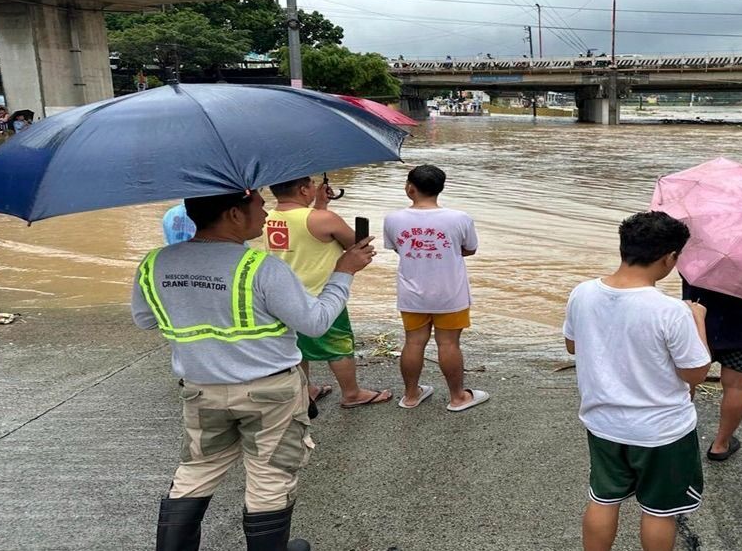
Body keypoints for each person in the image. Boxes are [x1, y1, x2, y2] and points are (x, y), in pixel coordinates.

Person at [131, 189, 375, 551]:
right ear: (233, 213)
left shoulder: (154, 263)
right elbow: (316, 323)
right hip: (270, 394)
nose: (265, 213)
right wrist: (343, 272)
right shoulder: (261, 267)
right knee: (270, 478)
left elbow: (146, 319)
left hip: (201, 390)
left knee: (196, 473)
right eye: (258, 206)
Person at [563, 211, 711, 551]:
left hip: (603, 422)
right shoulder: (670, 310)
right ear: (669, 258)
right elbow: (695, 372)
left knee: (603, 498)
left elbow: (573, 345)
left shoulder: (582, 292)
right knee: (660, 512)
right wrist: (698, 319)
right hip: (660, 430)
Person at [265, 176, 391, 409]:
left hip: (283, 296)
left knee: (297, 345)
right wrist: (322, 210)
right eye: (311, 185)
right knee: (338, 344)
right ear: (303, 190)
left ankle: (306, 390)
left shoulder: (267, 218)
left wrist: (320, 204)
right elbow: (356, 245)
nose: (315, 187)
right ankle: (352, 393)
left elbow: (304, 231)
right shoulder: (324, 219)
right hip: (321, 294)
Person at [383, 164, 488, 411]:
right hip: (450, 293)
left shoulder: (393, 219)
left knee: (413, 342)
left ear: (410, 189)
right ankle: (457, 397)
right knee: (449, 344)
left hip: (412, 293)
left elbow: (399, 248)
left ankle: (410, 396)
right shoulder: (459, 218)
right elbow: (469, 249)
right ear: (441, 189)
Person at [681, 280, 742, 461]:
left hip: (697, 318)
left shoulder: (697, 251)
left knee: (686, 378)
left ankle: (677, 435)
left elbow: (684, 269)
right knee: (736, 385)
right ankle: (720, 445)